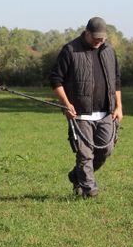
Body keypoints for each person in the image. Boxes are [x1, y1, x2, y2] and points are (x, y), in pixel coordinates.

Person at [49, 16, 123, 198]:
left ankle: (77, 176)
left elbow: (116, 81)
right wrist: (66, 104)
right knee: (85, 154)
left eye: (102, 38)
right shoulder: (70, 50)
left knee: (106, 150)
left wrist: (119, 106)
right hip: (80, 114)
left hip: (106, 112)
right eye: (96, 38)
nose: (99, 41)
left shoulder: (109, 51)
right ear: (86, 33)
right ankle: (89, 191)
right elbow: (55, 79)